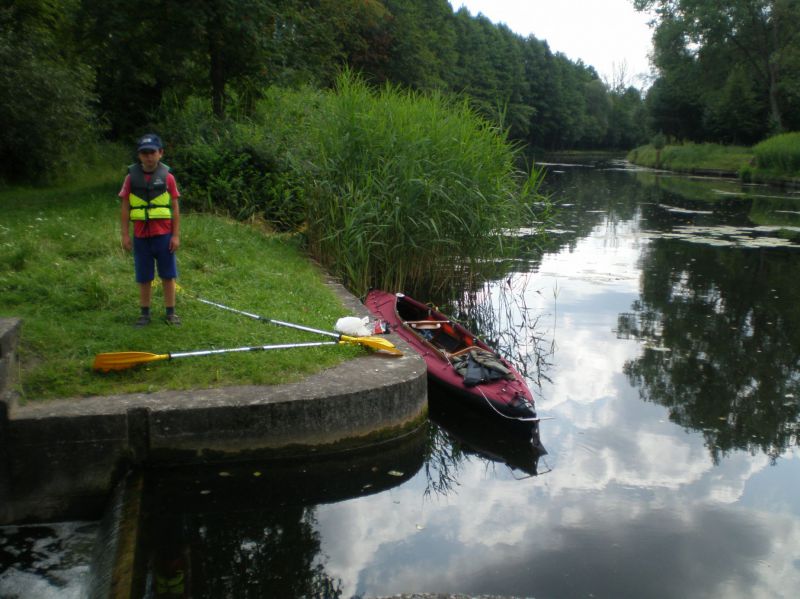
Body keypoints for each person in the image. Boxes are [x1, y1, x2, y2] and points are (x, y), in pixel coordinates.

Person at [119, 133, 182, 326]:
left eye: (152, 152)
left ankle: (170, 313)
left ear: (160, 153)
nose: (148, 157)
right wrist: (125, 235)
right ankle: (144, 313)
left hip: (163, 236)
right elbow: (125, 207)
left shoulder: (168, 178)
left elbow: (175, 207)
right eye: (144, 153)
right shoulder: (131, 179)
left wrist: (176, 235)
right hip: (141, 237)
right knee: (144, 276)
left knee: (168, 275)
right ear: (139, 156)